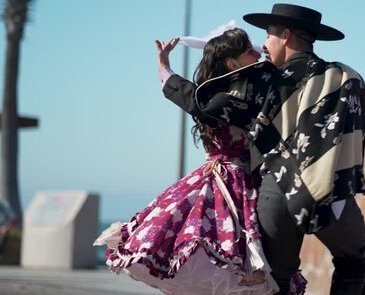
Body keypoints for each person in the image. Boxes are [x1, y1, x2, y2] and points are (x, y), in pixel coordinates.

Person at [94, 25, 305, 294]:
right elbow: (198, 102)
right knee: (225, 265)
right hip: (231, 185)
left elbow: (196, 99)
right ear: (232, 62)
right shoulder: (226, 98)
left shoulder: (245, 90)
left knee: (235, 268)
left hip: (239, 183)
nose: (257, 52)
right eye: (249, 50)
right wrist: (165, 69)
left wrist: (165, 70)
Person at [240, 3, 365, 294]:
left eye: (268, 35)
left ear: (285, 35)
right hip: (328, 189)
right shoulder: (342, 77)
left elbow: (216, 108)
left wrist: (168, 76)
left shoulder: (264, 79)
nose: (264, 44)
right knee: (353, 263)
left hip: (275, 187)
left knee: (277, 280)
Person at [0, 195, 16, 260]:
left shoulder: (5, 207)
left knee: (3, 235)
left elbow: (13, 219)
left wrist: (7, 228)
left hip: (4, 226)